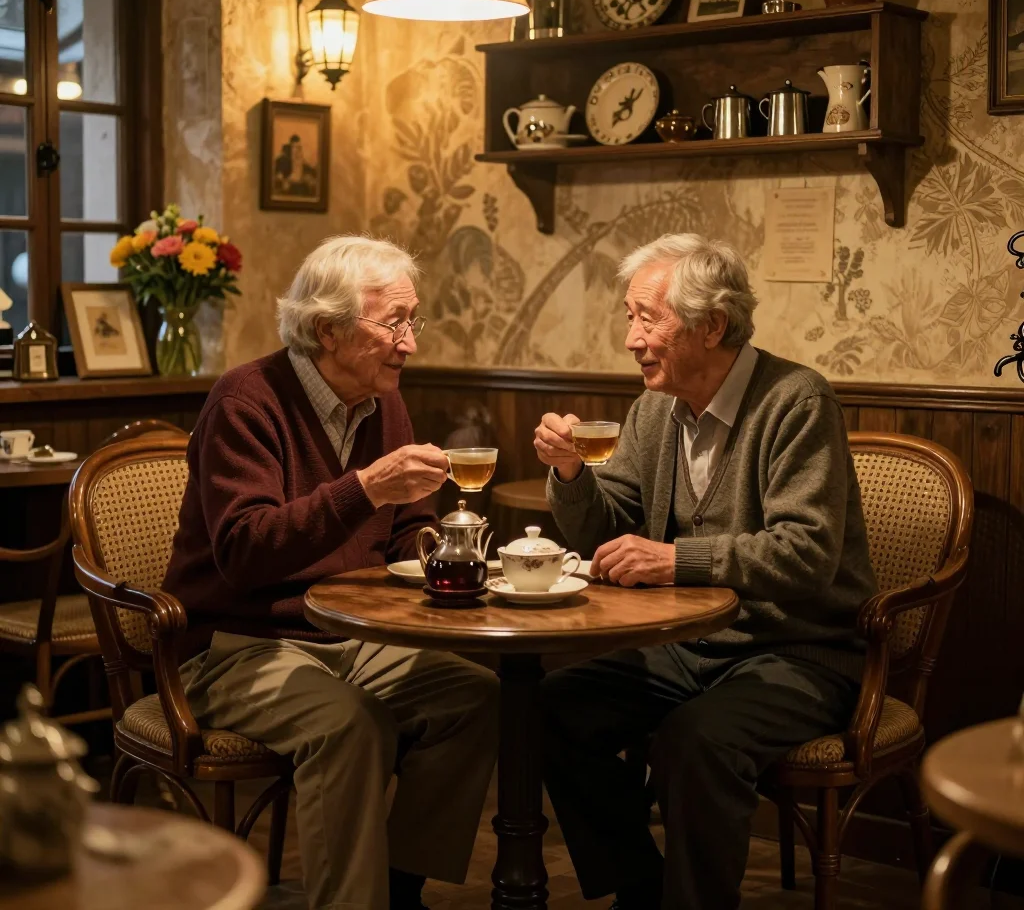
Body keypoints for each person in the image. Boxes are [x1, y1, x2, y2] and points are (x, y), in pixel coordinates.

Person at [532, 233, 877, 910]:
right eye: (631, 317)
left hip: (796, 652)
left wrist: (674, 561)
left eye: (646, 318)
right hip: (685, 646)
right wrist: (571, 473)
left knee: (695, 741)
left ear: (712, 325)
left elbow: (805, 554)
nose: (632, 338)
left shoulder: (797, 400)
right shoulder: (654, 409)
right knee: (554, 708)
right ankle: (642, 888)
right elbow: (611, 534)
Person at [164, 236, 498, 910]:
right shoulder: (246, 401)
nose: (409, 342)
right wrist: (365, 488)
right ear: (327, 329)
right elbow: (246, 551)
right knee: (350, 725)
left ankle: (400, 888)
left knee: (475, 696)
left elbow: (406, 528)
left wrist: (439, 547)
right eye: (394, 323)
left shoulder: (384, 400)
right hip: (234, 644)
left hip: (347, 636)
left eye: (414, 320)